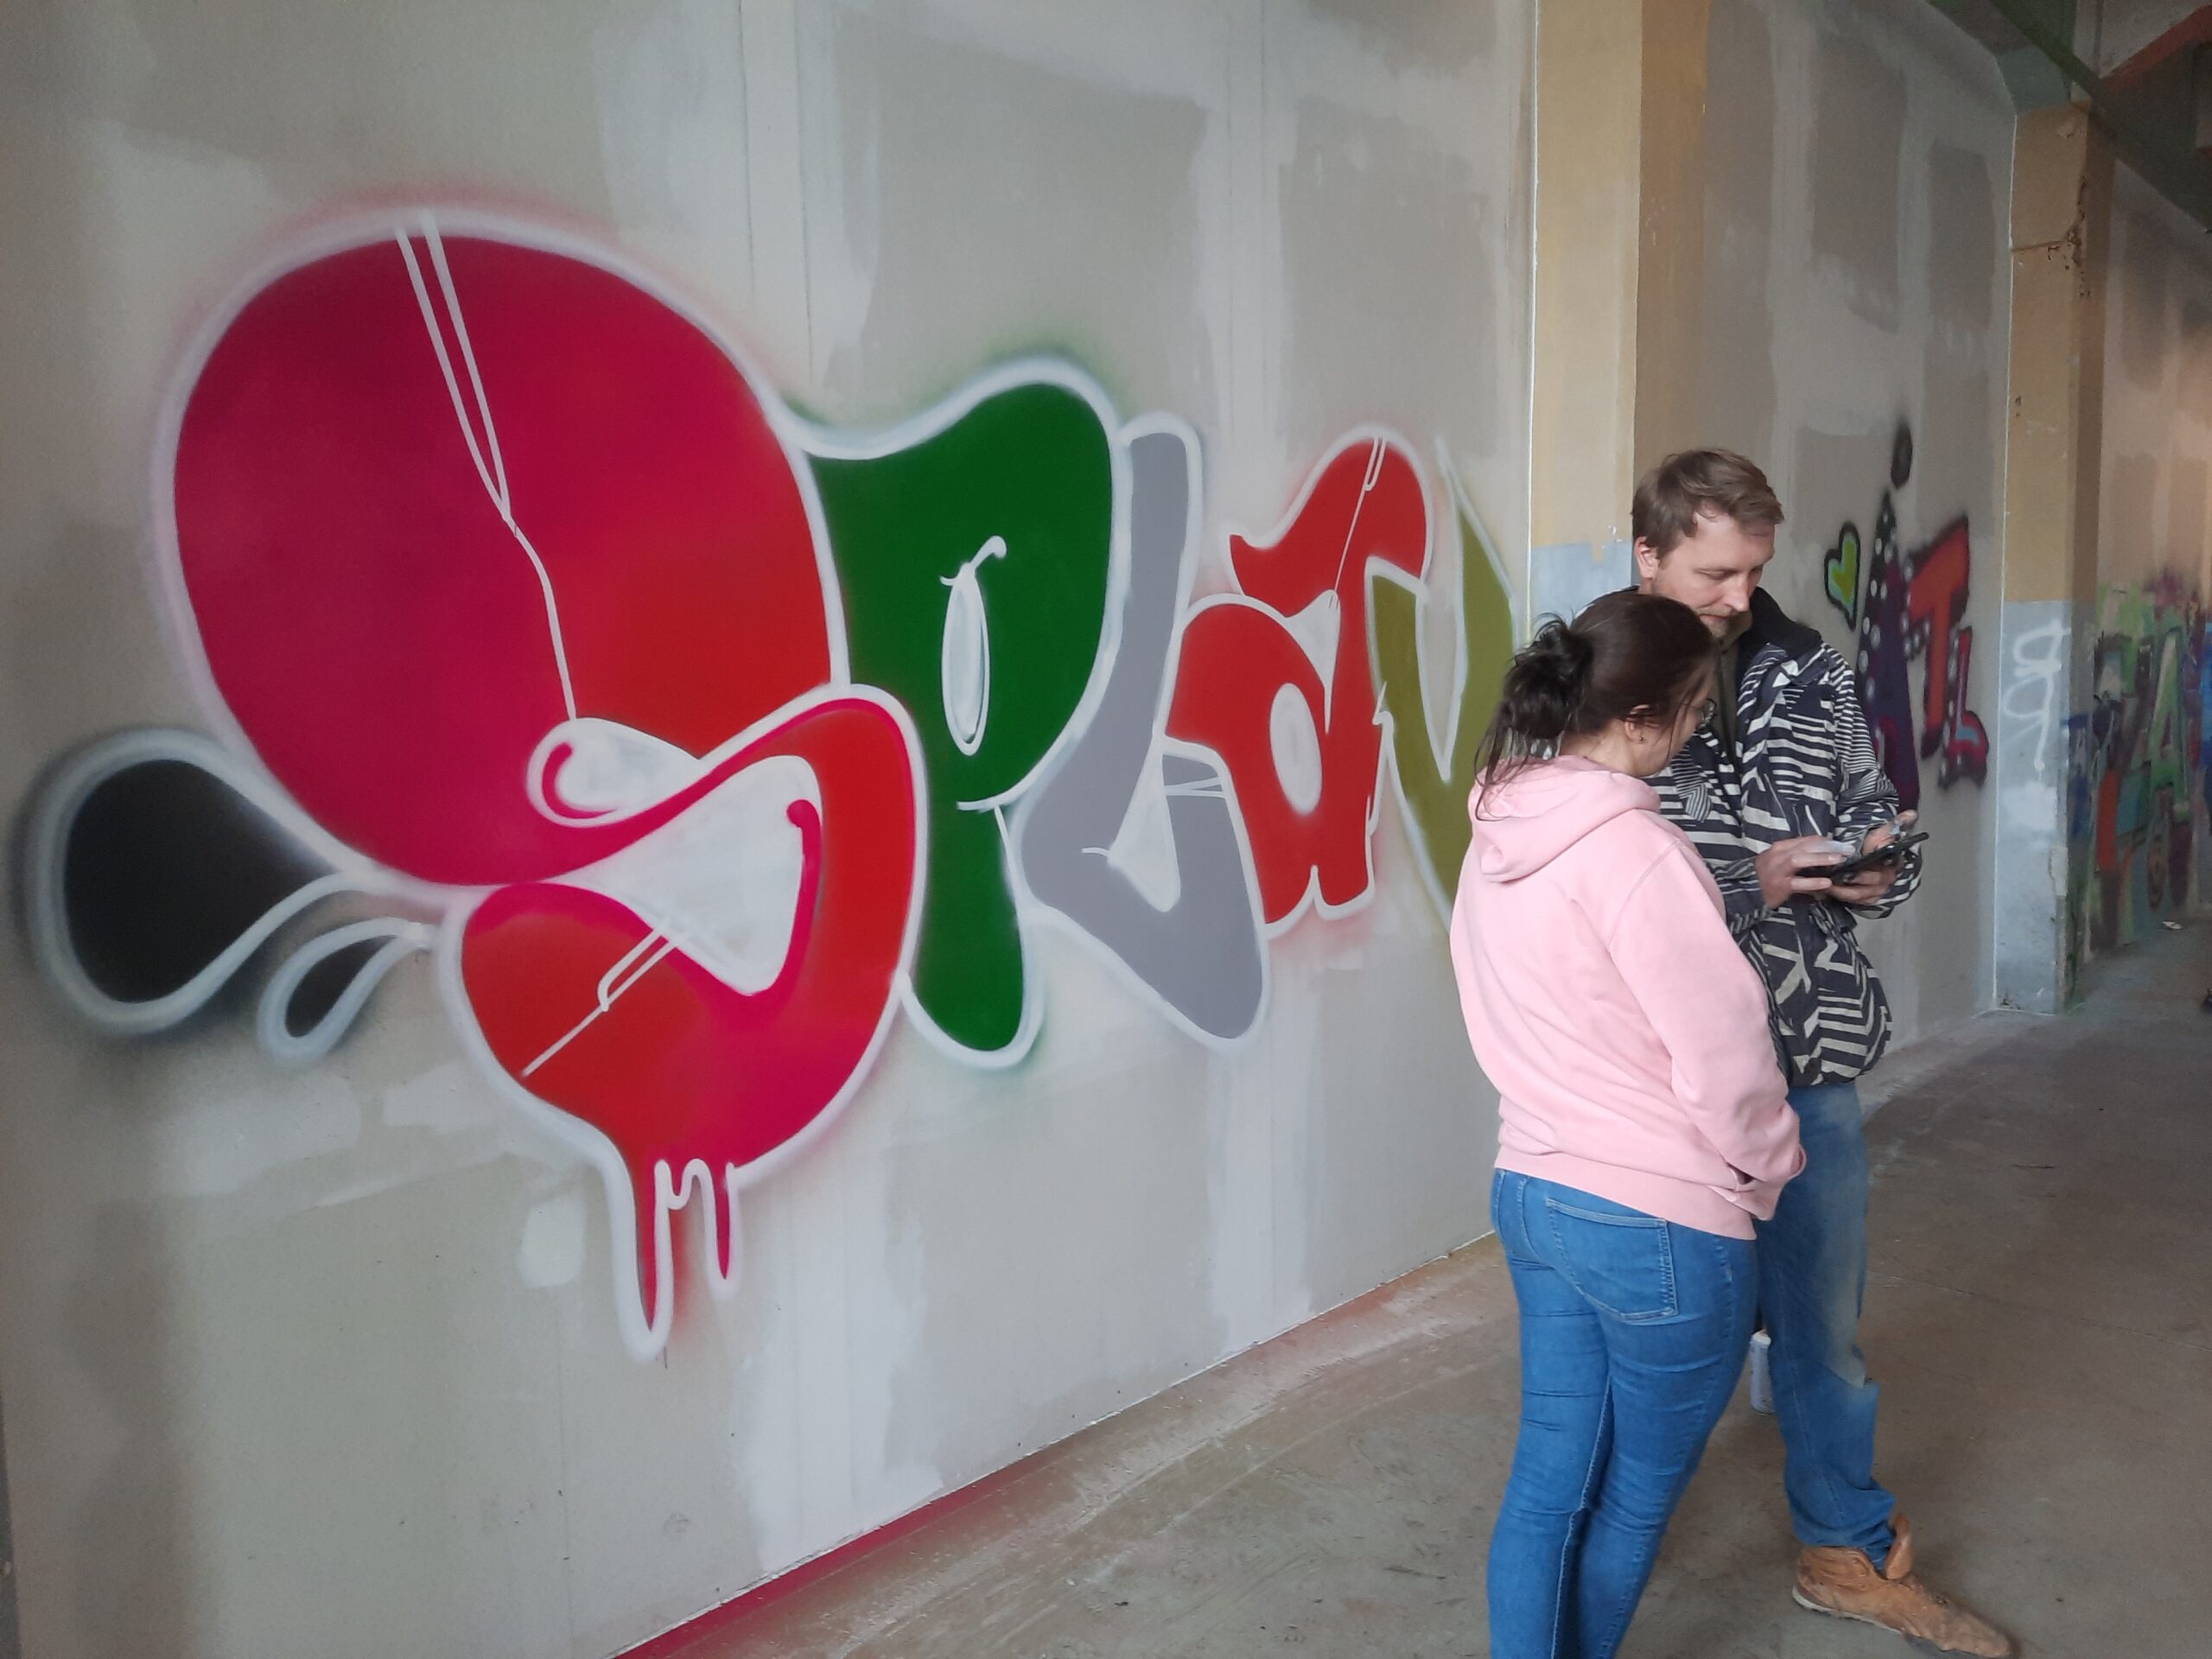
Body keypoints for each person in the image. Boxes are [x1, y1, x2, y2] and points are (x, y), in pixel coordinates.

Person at [1634, 448, 2012, 1656]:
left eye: (1753, 570)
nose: (1739, 596)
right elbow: (1579, 878)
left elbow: (1871, 798)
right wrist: (1748, 880)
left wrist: (1876, 863)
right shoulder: (1600, 675)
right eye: (1714, 573)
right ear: (1647, 555)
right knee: (1655, 1342)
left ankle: (1842, 1550)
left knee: (1822, 1329)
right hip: (1657, 1073)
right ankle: (1604, 1553)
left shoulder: (1807, 668)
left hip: (1808, 1052)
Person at [1450, 590, 1806, 1659]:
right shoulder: (1637, 852)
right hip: (1658, 1219)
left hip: (1532, 1191)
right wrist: (1769, 1169)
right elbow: (1726, 1052)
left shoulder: (1497, 830)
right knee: (1636, 1496)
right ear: (1642, 717)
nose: (1696, 730)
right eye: (1694, 710)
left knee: (1546, 1483)